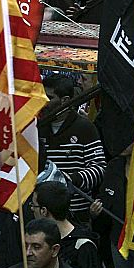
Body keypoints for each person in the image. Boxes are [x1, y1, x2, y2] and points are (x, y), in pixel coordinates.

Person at [38, 74, 106, 223]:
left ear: (65, 101)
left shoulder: (85, 128)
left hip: (75, 214)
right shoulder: (37, 127)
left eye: (49, 98)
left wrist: (71, 179)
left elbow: (99, 168)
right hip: (42, 213)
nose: (43, 102)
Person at [31, 181, 102, 268]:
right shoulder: (40, 240)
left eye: (34, 205)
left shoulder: (83, 247)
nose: (31, 209)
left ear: (44, 211)